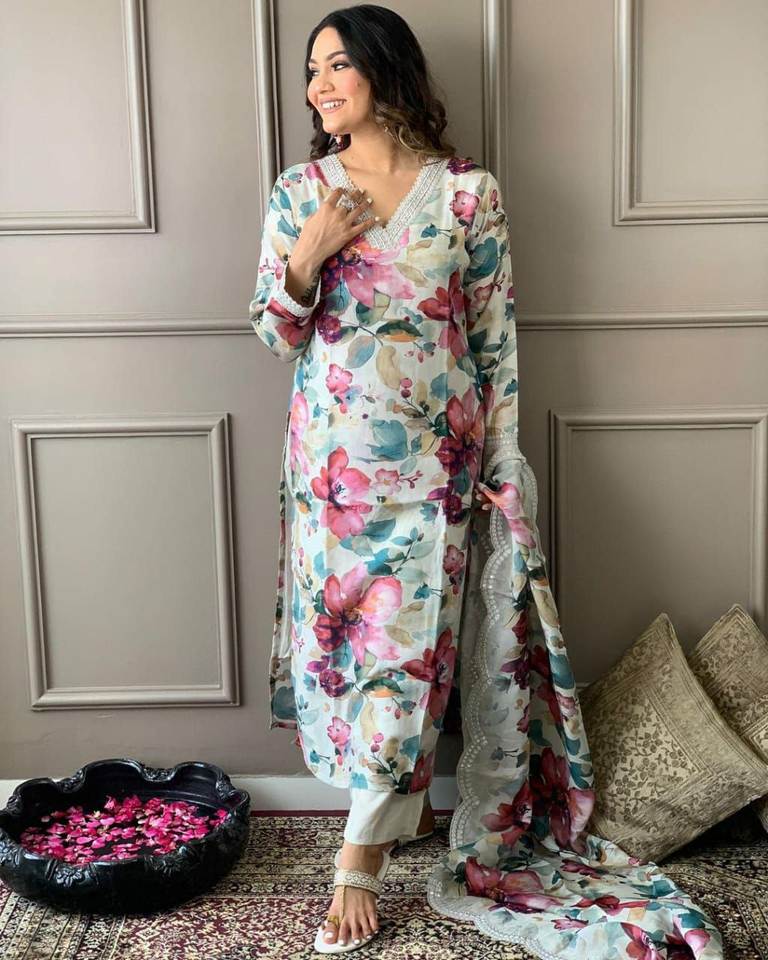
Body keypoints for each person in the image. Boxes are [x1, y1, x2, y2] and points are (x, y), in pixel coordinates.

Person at [250, 5, 725, 958]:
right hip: (332, 474)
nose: (318, 87)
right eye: (312, 71)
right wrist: (308, 255)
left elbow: (495, 341)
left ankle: (358, 856)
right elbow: (274, 331)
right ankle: (401, 804)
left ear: (384, 69)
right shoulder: (302, 190)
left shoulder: (468, 195)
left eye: (337, 65)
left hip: (437, 472)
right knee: (347, 658)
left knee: (410, 652)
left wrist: (503, 463)